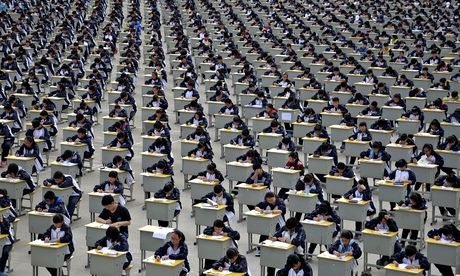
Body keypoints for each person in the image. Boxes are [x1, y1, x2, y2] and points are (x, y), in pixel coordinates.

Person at [254, 192, 286, 257]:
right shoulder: (265, 202)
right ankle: (260, 248)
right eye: (268, 200)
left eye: (272, 200)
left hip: (278, 222)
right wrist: (260, 210)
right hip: (268, 221)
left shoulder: (280, 202)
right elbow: (256, 207)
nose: (270, 202)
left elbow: (281, 210)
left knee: (276, 235)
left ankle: (275, 250)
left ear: (274, 197)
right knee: (264, 233)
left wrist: (270, 211)